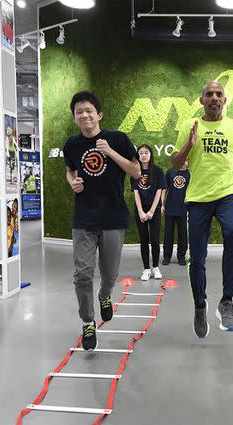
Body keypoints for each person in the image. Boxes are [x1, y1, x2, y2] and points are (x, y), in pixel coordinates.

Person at [171, 81, 233, 338]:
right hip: (197, 197)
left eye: (219, 94)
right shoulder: (188, 125)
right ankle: (199, 305)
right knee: (198, 257)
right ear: (201, 100)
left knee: (232, 231)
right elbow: (175, 163)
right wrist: (189, 144)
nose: (214, 98)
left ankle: (227, 300)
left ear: (225, 100)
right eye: (209, 94)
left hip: (227, 193)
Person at [63, 91, 141, 351]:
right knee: (82, 274)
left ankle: (105, 295)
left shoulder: (117, 139)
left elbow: (136, 171)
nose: (84, 115)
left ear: (99, 115)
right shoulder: (72, 145)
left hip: (113, 218)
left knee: (109, 274)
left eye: (88, 111)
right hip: (84, 219)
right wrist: (72, 182)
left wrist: (110, 153)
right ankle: (87, 321)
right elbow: (70, 168)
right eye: (79, 112)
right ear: (75, 118)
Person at [131, 144, 166, 281]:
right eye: (141, 153)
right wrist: (141, 212)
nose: (144, 155)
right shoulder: (135, 171)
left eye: (146, 152)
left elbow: (159, 191)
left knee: (155, 240)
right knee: (143, 240)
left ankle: (156, 267)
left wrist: (152, 211)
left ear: (150, 155)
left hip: (154, 210)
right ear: (138, 156)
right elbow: (136, 192)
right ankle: (146, 269)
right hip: (140, 210)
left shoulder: (157, 171)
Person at [161, 160, 189, 266]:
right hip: (170, 208)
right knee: (168, 234)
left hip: (183, 208)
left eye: (185, 160)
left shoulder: (190, 174)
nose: (183, 162)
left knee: (182, 234)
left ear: (188, 161)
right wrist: (162, 204)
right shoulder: (170, 172)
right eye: (181, 159)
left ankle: (181, 257)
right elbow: (165, 188)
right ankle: (167, 256)